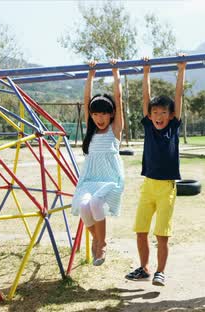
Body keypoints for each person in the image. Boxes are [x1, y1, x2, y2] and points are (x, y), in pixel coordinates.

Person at [125, 55, 186, 286]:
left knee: (162, 235)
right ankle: (144, 268)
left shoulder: (173, 127)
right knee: (141, 230)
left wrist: (181, 70)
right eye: (155, 113)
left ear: (170, 115)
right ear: (150, 115)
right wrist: (146, 71)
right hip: (148, 186)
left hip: (166, 188)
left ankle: (161, 271)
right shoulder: (149, 127)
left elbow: (178, 97)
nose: (159, 116)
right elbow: (145, 98)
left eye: (163, 113)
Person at [71, 59, 125, 266]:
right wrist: (90, 74)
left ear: (111, 114)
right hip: (90, 178)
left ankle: (101, 245)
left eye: (104, 113)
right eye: (95, 114)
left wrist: (115, 71)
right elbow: (86, 100)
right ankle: (97, 238)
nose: (99, 118)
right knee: (84, 207)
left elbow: (118, 99)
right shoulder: (91, 131)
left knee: (94, 204)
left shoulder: (114, 130)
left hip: (110, 179)